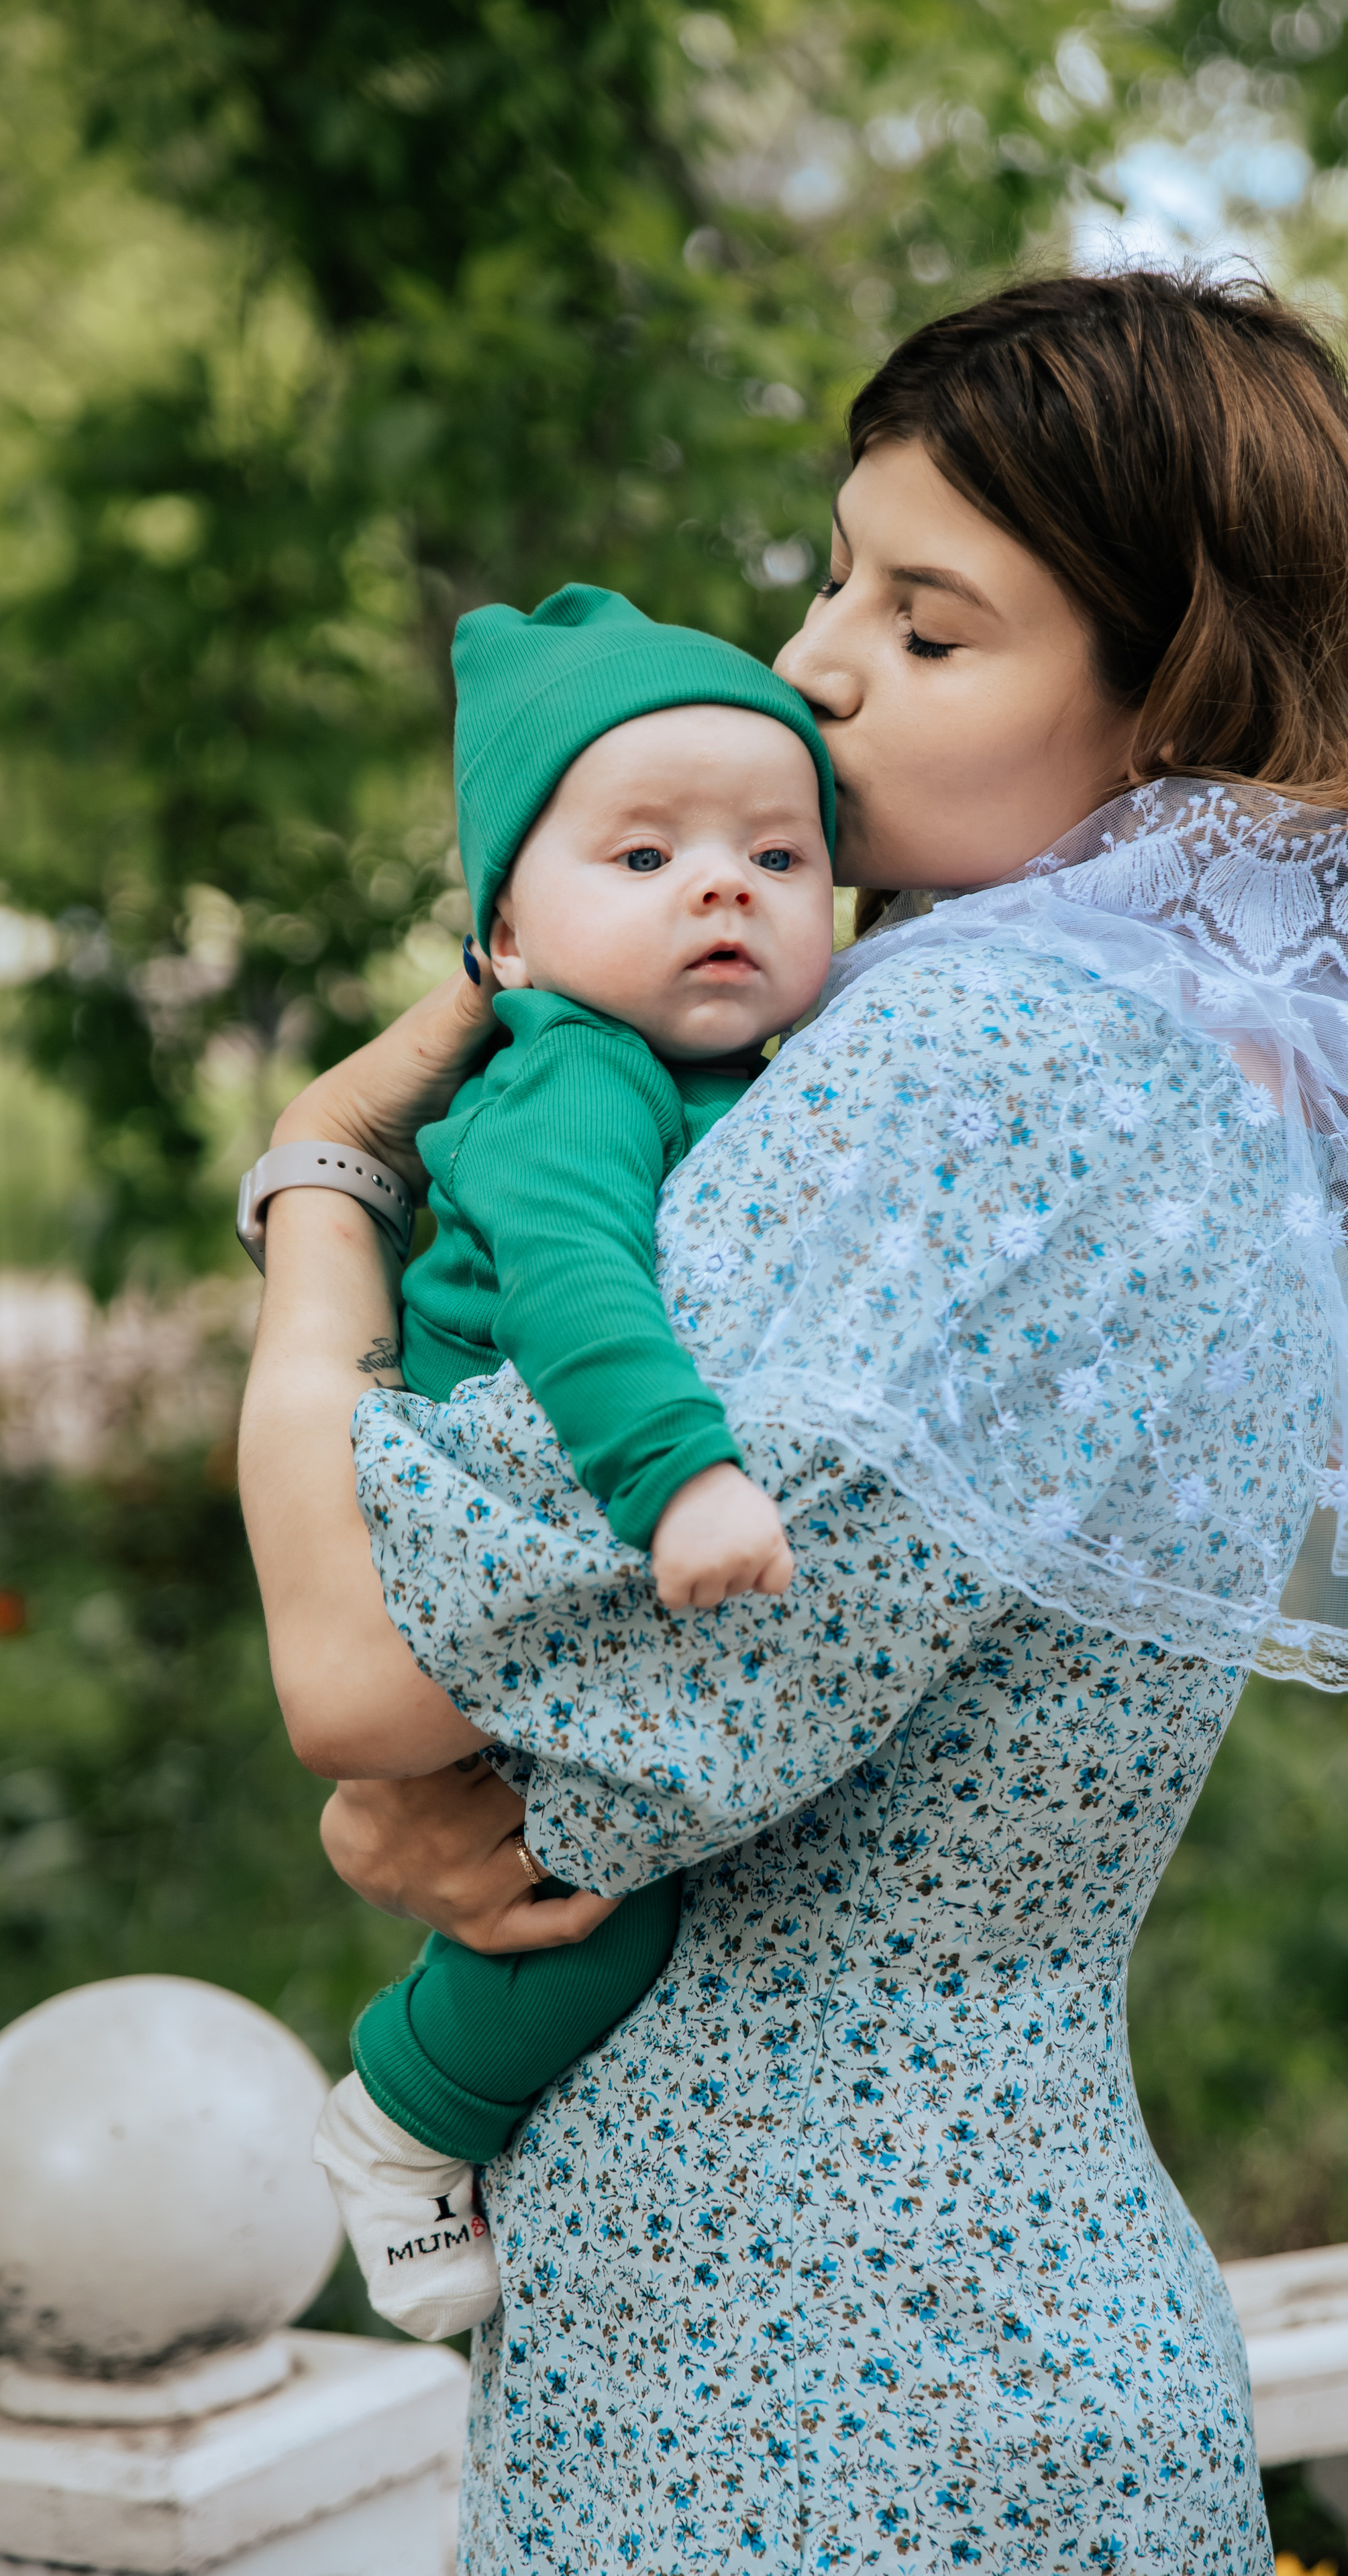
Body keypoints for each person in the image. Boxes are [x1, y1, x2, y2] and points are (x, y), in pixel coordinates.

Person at [238, 270, 1348, 2573]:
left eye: (930, 627)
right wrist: (428, 1817)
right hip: (923, 2331)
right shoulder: (1180, 1065)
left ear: (1161, 708)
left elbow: (365, 1677)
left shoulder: (983, 1073)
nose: (814, 662)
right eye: (836, 577)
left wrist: (322, 1185)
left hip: (813, 2396)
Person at [299, 583, 839, 2339]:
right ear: (507, 946)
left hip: (572, 1535)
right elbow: (578, 1283)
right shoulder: (573, 1079)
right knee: (591, 1904)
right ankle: (400, 2116)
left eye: (780, 857)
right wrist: (683, 1477)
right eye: (644, 856)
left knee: (603, 1865)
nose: (722, 886)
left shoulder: (758, 1069)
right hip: (484, 1520)